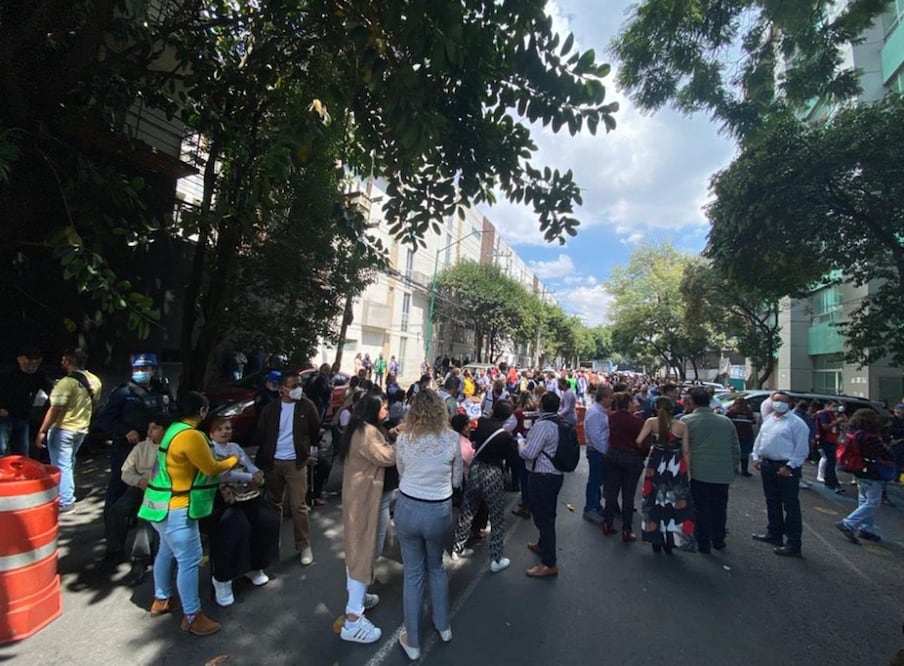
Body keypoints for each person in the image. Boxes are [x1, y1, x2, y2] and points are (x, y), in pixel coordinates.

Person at [138, 391, 238, 636]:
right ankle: (193, 616)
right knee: (190, 560)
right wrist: (232, 460)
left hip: (157, 504)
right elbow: (210, 467)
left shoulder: (172, 430)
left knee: (166, 551)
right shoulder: (191, 436)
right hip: (177, 507)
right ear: (202, 411)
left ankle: (161, 599)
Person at [394, 390, 462, 660]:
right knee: (436, 566)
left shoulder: (403, 439)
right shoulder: (453, 439)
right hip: (438, 510)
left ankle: (412, 640)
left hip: (408, 506)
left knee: (413, 573)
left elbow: (401, 473)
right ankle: (443, 625)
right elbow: (457, 481)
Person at [336, 394, 396, 644]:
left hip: (368, 498)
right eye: (384, 408)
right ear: (373, 410)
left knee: (364, 551)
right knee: (363, 553)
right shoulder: (367, 432)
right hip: (365, 500)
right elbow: (387, 457)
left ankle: (358, 597)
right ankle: (353, 619)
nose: (387, 411)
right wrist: (403, 441)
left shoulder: (361, 428)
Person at [206, 417, 280, 607]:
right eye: (220, 429)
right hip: (221, 499)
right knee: (236, 527)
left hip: (246, 494)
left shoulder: (236, 447)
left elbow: (249, 464)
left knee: (267, 519)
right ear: (211, 433)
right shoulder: (209, 450)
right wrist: (248, 477)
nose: (225, 431)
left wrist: (257, 474)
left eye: (228, 428)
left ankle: (255, 566)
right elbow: (221, 475)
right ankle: (222, 579)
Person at [254, 372, 321, 566]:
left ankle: (304, 545)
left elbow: (315, 430)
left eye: (299, 384)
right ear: (282, 389)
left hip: (296, 463)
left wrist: (306, 452)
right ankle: (272, 545)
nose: (298, 389)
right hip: (274, 462)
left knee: (299, 505)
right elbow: (261, 433)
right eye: (293, 386)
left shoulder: (307, 406)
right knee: (274, 505)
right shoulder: (270, 409)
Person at [95, 352, 172, 517]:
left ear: (153, 370)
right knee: (119, 484)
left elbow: (170, 413)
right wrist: (125, 431)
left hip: (155, 447)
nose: (140, 372)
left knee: (156, 484)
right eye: (137, 369)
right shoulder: (122, 392)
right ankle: (112, 522)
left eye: (145, 368)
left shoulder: (161, 390)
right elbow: (104, 421)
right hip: (127, 447)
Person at [103, 413, 170, 585]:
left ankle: (140, 560)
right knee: (117, 510)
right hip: (138, 487)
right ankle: (115, 551)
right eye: (149, 427)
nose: (150, 431)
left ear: (165, 430)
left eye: (155, 428)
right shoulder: (141, 447)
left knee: (144, 519)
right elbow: (126, 471)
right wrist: (139, 481)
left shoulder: (171, 448)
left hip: (160, 492)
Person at [450, 400, 514, 573]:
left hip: (476, 467)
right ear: (508, 417)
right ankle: (496, 558)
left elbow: (474, 440)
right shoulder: (506, 436)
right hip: (492, 472)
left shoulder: (482, 422)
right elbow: (510, 457)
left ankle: (458, 548)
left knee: (468, 509)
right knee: (496, 515)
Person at [35, 348, 102, 513]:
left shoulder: (65, 383)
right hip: (81, 429)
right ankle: (66, 493)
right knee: (69, 462)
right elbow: (95, 405)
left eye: (63, 359)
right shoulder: (95, 380)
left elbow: (55, 409)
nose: (61, 362)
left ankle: (65, 501)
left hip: (63, 429)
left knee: (60, 465)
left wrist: (42, 430)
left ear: (67, 360)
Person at [751, 391, 810, 557]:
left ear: (790, 404)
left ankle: (793, 543)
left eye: (783, 401)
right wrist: (756, 457)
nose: (779, 403)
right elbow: (760, 438)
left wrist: (790, 466)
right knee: (772, 501)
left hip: (786, 467)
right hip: (767, 465)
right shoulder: (770, 419)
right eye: (776, 400)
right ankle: (774, 533)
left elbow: (801, 449)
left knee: (790, 505)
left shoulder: (797, 423)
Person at [682, 388, 740, 554]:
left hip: (698, 471)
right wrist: (733, 467)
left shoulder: (687, 421)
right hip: (722, 472)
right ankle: (718, 539)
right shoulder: (726, 421)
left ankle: (704, 541)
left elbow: (683, 448)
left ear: (692, 402)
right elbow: (735, 448)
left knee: (701, 507)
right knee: (719, 507)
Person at [636, 397, 692, 554]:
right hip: (675, 464)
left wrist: (653, 448)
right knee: (673, 501)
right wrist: (688, 472)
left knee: (654, 499)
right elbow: (686, 450)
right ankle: (671, 539)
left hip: (656, 463)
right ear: (672, 409)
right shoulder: (682, 426)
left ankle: (656, 538)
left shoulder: (651, 422)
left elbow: (639, 440)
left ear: (656, 407)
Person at [519, 392, 564, 577]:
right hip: (556, 474)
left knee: (543, 518)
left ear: (542, 406)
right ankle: (543, 544)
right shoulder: (560, 422)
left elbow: (529, 453)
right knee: (548, 514)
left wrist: (521, 443)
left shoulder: (543, 426)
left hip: (542, 475)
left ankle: (549, 563)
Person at [835, 409, 894, 544]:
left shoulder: (853, 432)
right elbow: (885, 453)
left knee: (864, 499)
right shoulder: (870, 437)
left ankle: (866, 528)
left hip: (859, 468)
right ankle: (848, 523)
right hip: (872, 471)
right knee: (873, 502)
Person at [602, 392, 645, 541]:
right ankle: (627, 529)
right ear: (628, 404)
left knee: (611, 492)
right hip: (631, 457)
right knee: (628, 495)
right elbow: (643, 443)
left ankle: (607, 523)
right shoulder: (638, 421)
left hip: (613, 454)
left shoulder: (611, 417)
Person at [0, 345, 50, 457]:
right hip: (4, 417)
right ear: (20, 359)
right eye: (29, 360)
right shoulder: (6, 374)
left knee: (22, 454)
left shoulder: (40, 375)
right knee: (1, 450)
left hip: (23, 417)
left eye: (36, 361)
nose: (33, 363)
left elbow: (50, 390)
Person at [582, 386, 612, 525]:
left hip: (600, 450)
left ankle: (596, 505)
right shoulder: (595, 413)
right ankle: (590, 508)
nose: (611, 400)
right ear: (603, 398)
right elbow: (595, 437)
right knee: (594, 481)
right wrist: (605, 452)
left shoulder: (601, 412)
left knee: (598, 480)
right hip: (597, 451)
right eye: (610, 397)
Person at [725, 396, 755, 476]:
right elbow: (754, 421)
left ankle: (734, 469)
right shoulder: (748, 412)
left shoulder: (731, 412)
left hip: (734, 435)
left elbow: (726, 421)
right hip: (746, 435)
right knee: (745, 453)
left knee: (734, 453)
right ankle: (744, 470)